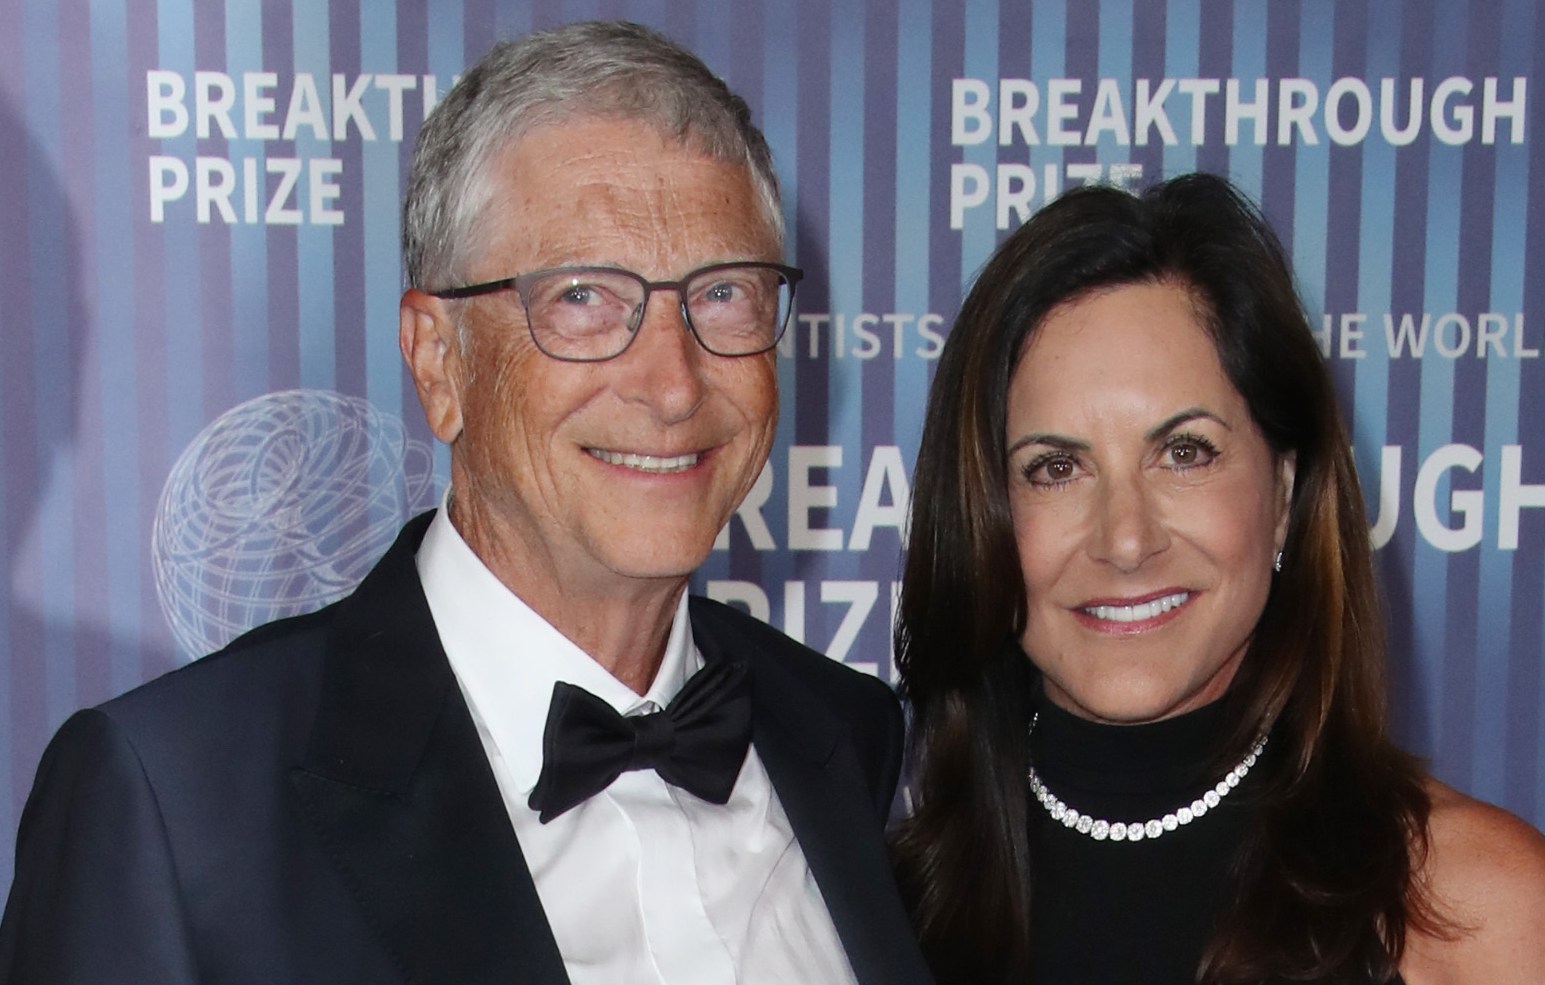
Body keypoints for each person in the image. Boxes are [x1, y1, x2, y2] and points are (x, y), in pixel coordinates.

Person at [0, 21, 932, 985]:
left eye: (725, 292)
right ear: (438, 359)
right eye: (582, 297)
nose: (673, 383)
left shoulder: (843, 734)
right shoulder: (177, 803)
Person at [889, 173, 1545, 985]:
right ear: (981, 515)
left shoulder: (1475, 909)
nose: (1124, 539)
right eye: (1055, 467)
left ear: (1282, 495)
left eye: (1184, 452)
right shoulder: (876, 913)